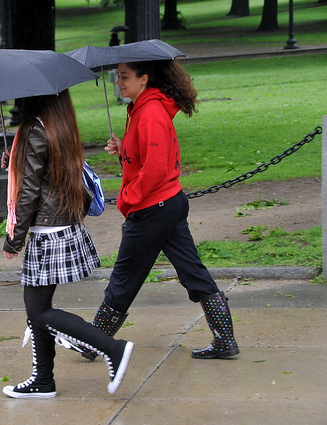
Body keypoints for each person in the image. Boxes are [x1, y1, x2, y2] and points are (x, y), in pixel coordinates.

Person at [79, 60, 239, 362]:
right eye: (118, 77)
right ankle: (225, 339)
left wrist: (128, 199)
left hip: (154, 207)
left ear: (144, 79)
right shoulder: (141, 110)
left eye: (124, 77)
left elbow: (155, 169)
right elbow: (147, 157)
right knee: (192, 271)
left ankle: (93, 342)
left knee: (125, 276)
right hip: (167, 202)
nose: (118, 83)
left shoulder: (150, 113)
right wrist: (124, 148)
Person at [1, 90, 134, 399]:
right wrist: (16, 161)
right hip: (61, 223)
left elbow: (29, 191)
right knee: (37, 309)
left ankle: (112, 348)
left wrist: (14, 239)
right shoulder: (59, 124)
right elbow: (46, 175)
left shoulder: (35, 129)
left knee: (38, 311)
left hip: (47, 230)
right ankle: (42, 380)